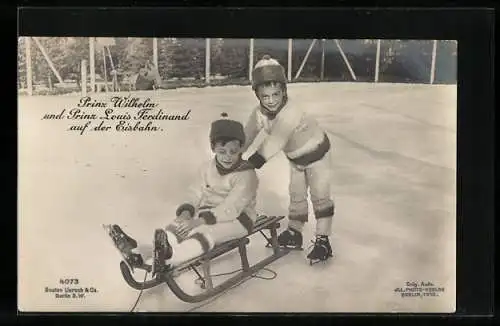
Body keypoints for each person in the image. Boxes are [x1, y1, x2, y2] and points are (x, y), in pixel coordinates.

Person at [106, 113, 259, 275]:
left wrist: (199, 221)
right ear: (213, 149)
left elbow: (232, 207)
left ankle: (169, 259)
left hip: (239, 220)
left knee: (205, 233)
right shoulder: (207, 168)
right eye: (222, 151)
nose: (228, 156)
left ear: (240, 149)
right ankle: (141, 253)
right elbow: (194, 192)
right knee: (177, 227)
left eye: (233, 151)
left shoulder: (246, 174)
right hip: (207, 215)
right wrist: (187, 213)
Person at [242, 54, 335, 263]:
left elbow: (277, 139)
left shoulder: (292, 110)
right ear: (257, 95)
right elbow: (247, 134)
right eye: (265, 96)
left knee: (320, 197)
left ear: (284, 91)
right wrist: (233, 151)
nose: (271, 101)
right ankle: (294, 232)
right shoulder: (259, 113)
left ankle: (323, 239)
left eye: (276, 94)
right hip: (297, 161)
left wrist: (254, 161)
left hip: (318, 156)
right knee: (297, 195)